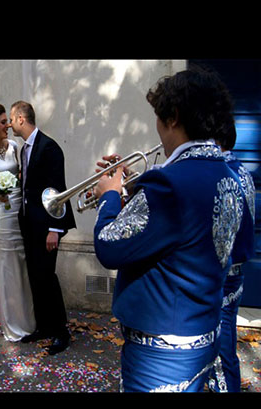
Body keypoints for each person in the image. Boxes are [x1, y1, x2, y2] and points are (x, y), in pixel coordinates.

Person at [93, 67, 243, 392]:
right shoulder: (230, 175)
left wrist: (108, 195)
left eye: (159, 116)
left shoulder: (167, 184)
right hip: (203, 333)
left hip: (159, 352)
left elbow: (109, 246)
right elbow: (179, 228)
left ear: (173, 116)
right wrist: (135, 188)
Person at [9, 101, 76, 355]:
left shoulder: (49, 148)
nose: (11, 125)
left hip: (47, 227)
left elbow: (58, 191)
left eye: (12, 120)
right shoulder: (24, 149)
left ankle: (62, 333)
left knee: (48, 278)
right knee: (36, 277)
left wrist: (54, 230)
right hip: (28, 224)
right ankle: (45, 327)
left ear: (21, 119)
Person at [0, 104, 36, 342]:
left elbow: (20, 174)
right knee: (9, 266)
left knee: (24, 265)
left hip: (21, 209)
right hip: (4, 214)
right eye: (3, 123)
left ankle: (30, 321)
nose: (8, 126)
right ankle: (13, 323)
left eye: (8, 121)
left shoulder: (13, 147)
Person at [208, 120, 255, 392]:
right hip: (235, 275)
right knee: (224, 346)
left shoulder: (221, 175)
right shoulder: (242, 170)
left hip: (223, 276)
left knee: (220, 352)